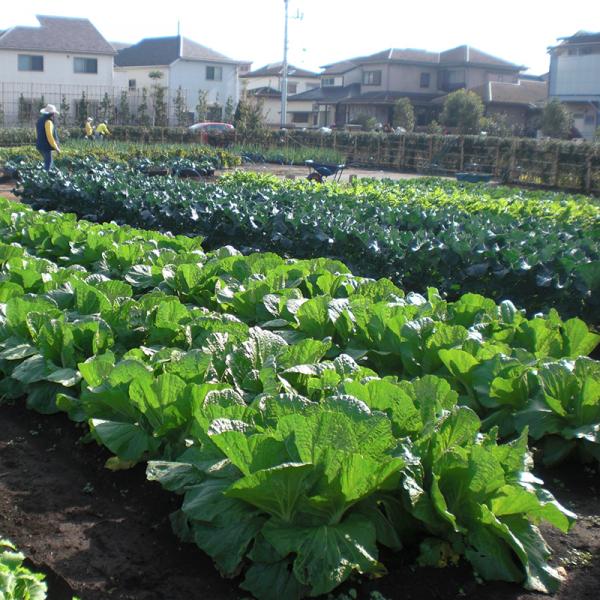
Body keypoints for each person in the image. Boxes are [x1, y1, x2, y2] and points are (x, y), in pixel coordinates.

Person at [36, 104, 61, 171]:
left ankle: (50, 176)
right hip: (46, 147)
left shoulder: (40, 120)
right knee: (48, 164)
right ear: (52, 114)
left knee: (49, 162)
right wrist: (56, 148)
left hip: (39, 145)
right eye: (54, 114)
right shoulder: (48, 122)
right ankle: (46, 178)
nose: (55, 115)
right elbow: (49, 136)